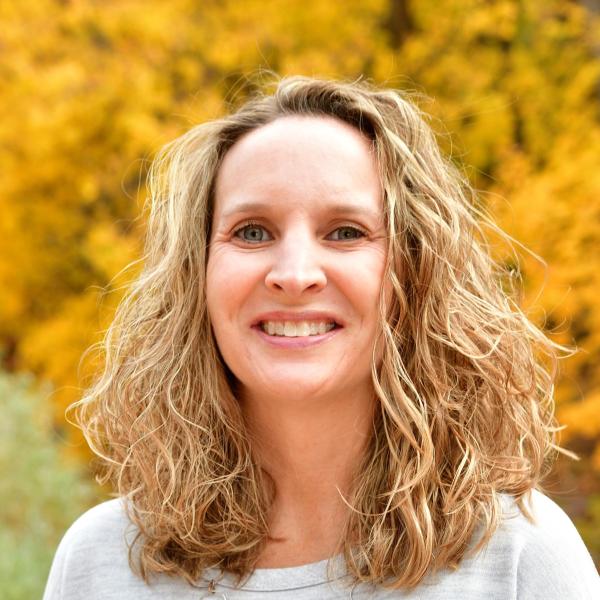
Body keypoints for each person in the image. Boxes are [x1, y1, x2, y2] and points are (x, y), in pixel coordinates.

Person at [43, 76, 599, 599]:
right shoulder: (105, 562)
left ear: (414, 272)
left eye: (346, 232)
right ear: (197, 275)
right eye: (252, 232)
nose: (295, 272)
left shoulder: (518, 558)